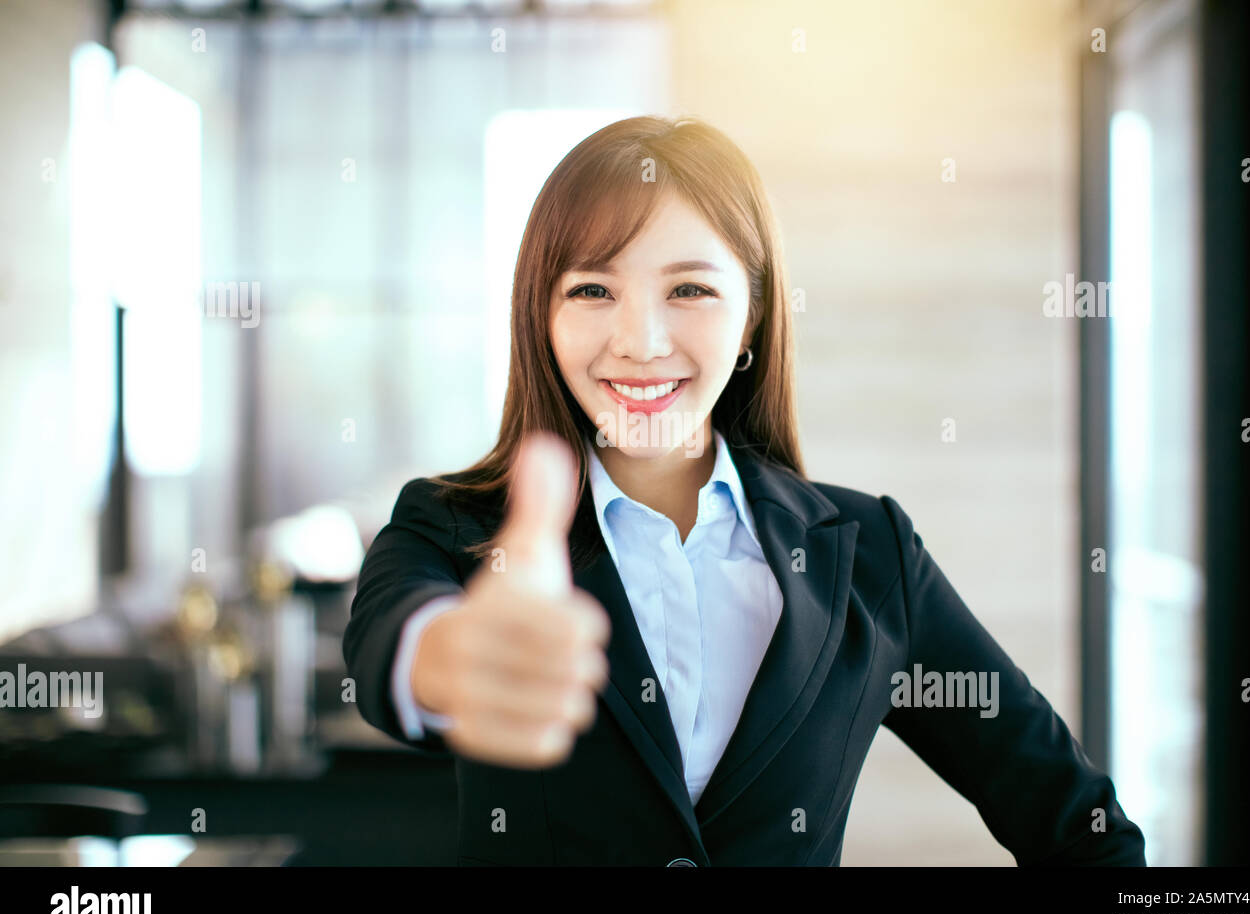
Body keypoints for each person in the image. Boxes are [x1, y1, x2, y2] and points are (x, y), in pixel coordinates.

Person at [342, 114, 1146, 867]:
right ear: (541, 316)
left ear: (755, 313)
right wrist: (447, 660)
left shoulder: (870, 554)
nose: (642, 342)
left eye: (689, 290)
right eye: (592, 289)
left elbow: (1078, 823)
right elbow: (391, 647)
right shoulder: (453, 523)